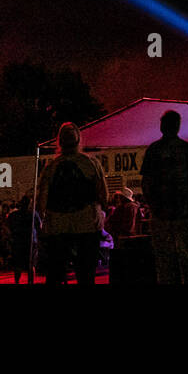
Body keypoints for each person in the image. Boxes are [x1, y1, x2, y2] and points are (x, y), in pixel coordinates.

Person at [37, 122, 109, 285]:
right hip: (85, 224)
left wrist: (44, 222)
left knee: (56, 274)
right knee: (85, 274)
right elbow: (103, 194)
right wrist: (101, 212)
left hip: (60, 225)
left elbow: (42, 200)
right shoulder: (90, 163)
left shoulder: (51, 167)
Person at [141, 110, 188, 284]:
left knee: (164, 260)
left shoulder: (154, 150)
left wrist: (153, 205)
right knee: (187, 258)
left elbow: (146, 182)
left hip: (162, 212)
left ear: (162, 126)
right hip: (183, 211)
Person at [6, 195, 41, 285]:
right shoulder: (33, 214)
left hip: (19, 241)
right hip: (30, 241)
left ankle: (17, 282)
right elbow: (39, 227)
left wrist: (13, 233)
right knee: (31, 264)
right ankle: (30, 282)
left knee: (18, 265)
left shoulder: (14, 214)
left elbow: (8, 225)